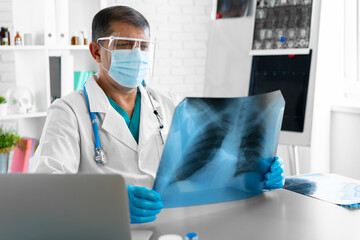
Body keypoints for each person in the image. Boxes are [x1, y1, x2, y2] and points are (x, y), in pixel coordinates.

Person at [30, 6, 284, 224]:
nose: (136, 55)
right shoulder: (68, 112)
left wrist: (255, 170)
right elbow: (46, 189)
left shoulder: (169, 103)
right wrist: (109, 202)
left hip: (170, 226)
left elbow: (205, 162)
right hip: (106, 229)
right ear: (96, 52)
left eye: (143, 46)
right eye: (124, 45)